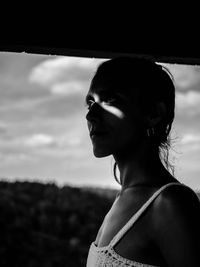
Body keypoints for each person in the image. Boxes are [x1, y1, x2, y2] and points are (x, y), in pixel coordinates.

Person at [85, 57, 200, 267]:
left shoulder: (170, 204)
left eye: (110, 100)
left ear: (153, 114)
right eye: (90, 103)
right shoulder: (123, 198)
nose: (91, 115)